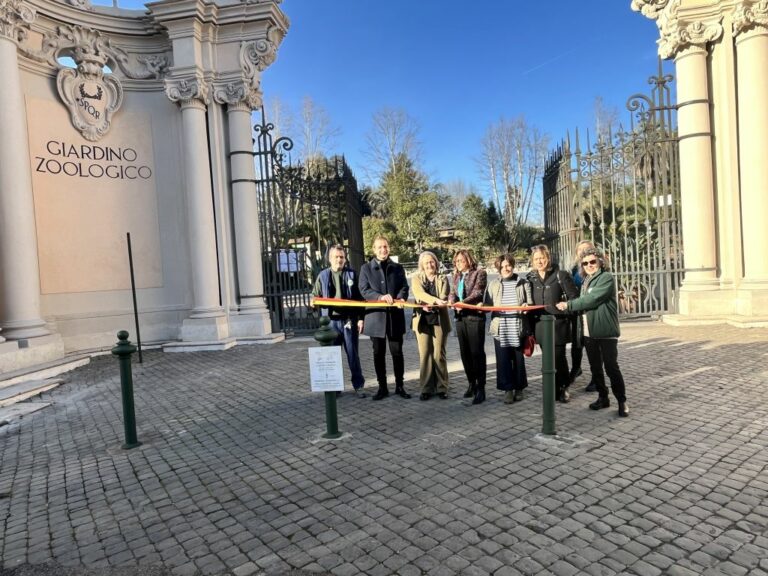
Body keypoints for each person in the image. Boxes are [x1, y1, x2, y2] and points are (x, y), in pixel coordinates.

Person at [556, 247, 628, 417]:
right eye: (585, 263)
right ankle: (603, 397)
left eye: (592, 262)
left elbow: (591, 299)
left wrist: (569, 305)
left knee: (611, 367)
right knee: (596, 368)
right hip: (589, 332)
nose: (589, 265)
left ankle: (622, 400)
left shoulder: (606, 278)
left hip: (605, 331)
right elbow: (584, 299)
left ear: (600, 261)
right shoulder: (586, 280)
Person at [359, 235, 411, 401]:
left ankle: (399, 386)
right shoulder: (366, 269)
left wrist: (402, 297)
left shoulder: (397, 267)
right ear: (374, 249)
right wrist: (380, 297)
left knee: (397, 352)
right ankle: (382, 387)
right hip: (376, 317)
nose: (383, 250)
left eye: (386, 247)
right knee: (378, 354)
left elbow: (404, 286)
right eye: (380, 247)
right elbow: (364, 290)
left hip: (394, 317)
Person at [311, 244, 367, 398]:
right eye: (336, 257)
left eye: (342, 257)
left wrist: (361, 319)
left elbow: (360, 300)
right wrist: (312, 302)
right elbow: (315, 295)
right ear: (330, 259)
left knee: (352, 355)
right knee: (332, 356)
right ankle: (335, 387)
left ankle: (359, 385)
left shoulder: (352, 275)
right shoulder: (322, 276)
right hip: (331, 323)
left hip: (349, 321)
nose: (339, 260)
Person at [527, 244, 578, 403]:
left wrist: (564, 307)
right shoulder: (530, 278)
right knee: (547, 359)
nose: (539, 261)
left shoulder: (560, 275)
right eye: (536, 259)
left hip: (558, 325)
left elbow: (574, 298)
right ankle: (552, 386)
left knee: (558, 357)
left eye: (542, 257)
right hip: (541, 325)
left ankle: (563, 387)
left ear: (548, 258)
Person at [484, 254, 532, 403]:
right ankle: (507, 389)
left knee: (518, 359)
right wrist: (481, 307)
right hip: (501, 327)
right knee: (503, 359)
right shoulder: (492, 284)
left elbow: (529, 303)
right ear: (498, 268)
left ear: (513, 265)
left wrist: (526, 306)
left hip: (517, 326)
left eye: (508, 265)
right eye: (502, 266)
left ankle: (519, 388)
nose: (506, 268)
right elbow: (487, 305)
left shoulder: (523, 283)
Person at [448, 249, 488, 405]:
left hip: (474, 318)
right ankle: (471, 383)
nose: (458, 263)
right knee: (465, 354)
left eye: (461, 260)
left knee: (477, 353)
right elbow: (452, 292)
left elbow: (478, 293)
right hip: (460, 318)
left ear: (469, 260)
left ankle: (481, 388)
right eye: (456, 261)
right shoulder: (456, 275)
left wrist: (462, 303)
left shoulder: (479, 273)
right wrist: (452, 301)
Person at [411, 251, 451, 401]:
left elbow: (444, 297)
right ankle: (426, 388)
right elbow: (418, 293)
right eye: (426, 262)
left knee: (438, 354)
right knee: (425, 354)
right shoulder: (416, 278)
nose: (430, 265)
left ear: (436, 262)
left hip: (439, 319)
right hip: (422, 320)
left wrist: (433, 303)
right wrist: (428, 303)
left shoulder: (443, 278)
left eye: (432, 261)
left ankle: (442, 387)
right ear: (422, 265)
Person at [569, 240, 596, 390]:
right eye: (580, 250)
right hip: (577, 311)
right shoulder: (574, 269)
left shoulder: (595, 267)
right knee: (576, 343)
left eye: (586, 249)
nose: (583, 252)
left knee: (592, 345)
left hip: (591, 311)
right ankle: (576, 368)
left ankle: (596, 377)